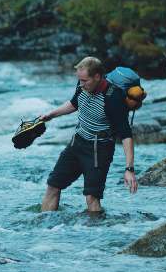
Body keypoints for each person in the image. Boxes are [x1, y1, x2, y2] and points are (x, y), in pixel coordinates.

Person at [40, 57, 138, 213]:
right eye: (79, 80)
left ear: (97, 77)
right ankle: (43, 230)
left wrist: (129, 169)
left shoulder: (113, 98)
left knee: (92, 198)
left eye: (85, 80)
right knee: (53, 186)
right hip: (77, 143)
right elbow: (74, 103)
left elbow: (126, 135)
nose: (81, 84)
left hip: (99, 150)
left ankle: (95, 235)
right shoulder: (83, 86)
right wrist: (52, 114)